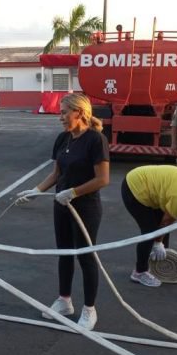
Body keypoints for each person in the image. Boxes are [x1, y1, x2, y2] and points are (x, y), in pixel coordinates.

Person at [16, 93, 110, 331]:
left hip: (85, 207)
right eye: (60, 112)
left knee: (86, 257)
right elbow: (56, 174)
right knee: (64, 253)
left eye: (64, 112)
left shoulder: (95, 140)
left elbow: (103, 179)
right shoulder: (62, 139)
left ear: (79, 112)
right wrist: (36, 191)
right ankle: (64, 300)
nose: (60, 117)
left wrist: (74, 192)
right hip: (61, 205)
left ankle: (89, 309)